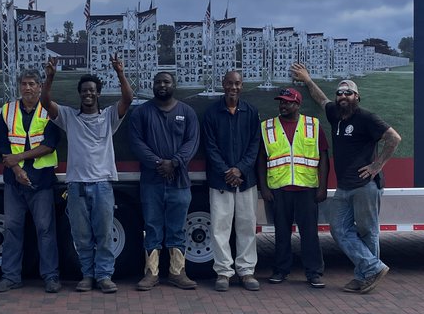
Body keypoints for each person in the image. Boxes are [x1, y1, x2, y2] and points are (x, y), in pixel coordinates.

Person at [291, 65, 400, 294]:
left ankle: (365, 277)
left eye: (348, 93)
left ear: (357, 97)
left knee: (368, 231)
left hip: (365, 186)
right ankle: (372, 267)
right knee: (338, 229)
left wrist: (377, 165)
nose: (342, 96)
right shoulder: (335, 115)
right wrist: (308, 80)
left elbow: (393, 138)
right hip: (344, 187)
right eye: (339, 93)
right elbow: (321, 99)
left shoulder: (367, 118)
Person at [41, 54, 133, 293]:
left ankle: (104, 276)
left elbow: (128, 98)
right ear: (79, 94)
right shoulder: (69, 117)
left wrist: (120, 73)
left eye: (92, 90)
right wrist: (49, 79)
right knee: (81, 236)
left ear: (98, 93)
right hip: (76, 185)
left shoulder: (110, 117)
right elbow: (45, 103)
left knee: (103, 235)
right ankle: (87, 275)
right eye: (84, 91)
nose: (88, 94)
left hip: (102, 184)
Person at [0, 69, 63, 293]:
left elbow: (50, 144)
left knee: (45, 230)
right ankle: (11, 277)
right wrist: (16, 170)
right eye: (24, 83)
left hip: (41, 181)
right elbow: (2, 146)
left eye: (32, 83)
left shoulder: (49, 111)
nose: (28, 88)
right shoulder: (7, 110)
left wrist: (19, 159)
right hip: (14, 182)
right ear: (19, 86)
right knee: (12, 229)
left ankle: (51, 277)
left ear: (40, 87)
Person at [128, 71, 199, 290]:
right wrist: (159, 163)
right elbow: (136, 143)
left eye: (166, 81)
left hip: (179, 182)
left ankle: (177, 273)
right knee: (152, 227)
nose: (162, 85)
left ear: (174, 84)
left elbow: (192, 142)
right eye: (158, 82)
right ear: (152, 85)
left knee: (177, 229)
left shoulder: (187, 112)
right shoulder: (141, 113)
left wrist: (175, 163)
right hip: (151, 181)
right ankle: (152, 273)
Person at [257, 86, 329, 288]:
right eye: (281, 102)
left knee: (309, 234)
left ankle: (313, 272)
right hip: (279, 189)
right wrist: (264, 187)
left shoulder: (313, 125)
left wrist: (322, 187)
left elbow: (323, 157)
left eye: (288, 102)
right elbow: (261, 158)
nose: (283, 105)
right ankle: (281, 270)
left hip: (306, 189)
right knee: (281, 233)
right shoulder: (268, 126)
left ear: (298, 104)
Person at [200, 70, 261, 291]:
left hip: (246, 180)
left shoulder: (251, 112)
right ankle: (223, 272)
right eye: (229, 83)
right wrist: (227, 171)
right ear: (223, 84)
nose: (233, 87)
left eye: (237, 84)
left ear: (241, 86)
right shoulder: (212, 113)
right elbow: (210, 147)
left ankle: (246, 272)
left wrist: (240, 169)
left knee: (246, 226)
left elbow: (255, 145)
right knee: (220, 227)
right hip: (220, 180)